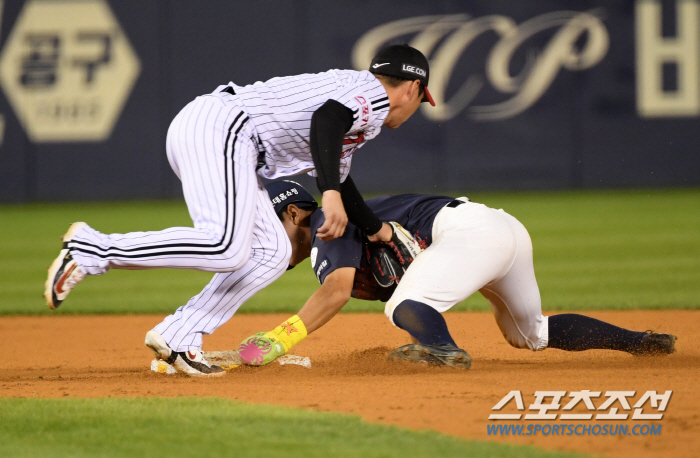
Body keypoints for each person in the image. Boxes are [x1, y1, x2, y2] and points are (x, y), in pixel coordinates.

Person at [44, 45, 434, 378]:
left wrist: (377, 229)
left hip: (230, 139)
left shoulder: (361, 114)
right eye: (422, 99)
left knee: (272, 253)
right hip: (227, 128)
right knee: (224, 245)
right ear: (415, 87)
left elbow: (339, 174)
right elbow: (325, 121)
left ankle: (180, 335)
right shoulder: (372, 92)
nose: (418, 107)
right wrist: (328, 192)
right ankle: (92, 249)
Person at [237, 181, 677, 368]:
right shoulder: (333, 225)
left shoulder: (324, 225)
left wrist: (279, 339)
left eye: (264, 224)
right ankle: (643, 343)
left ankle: (444, 351)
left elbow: (336, 291)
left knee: (405, 306)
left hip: (468, 232)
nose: (261, 238)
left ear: (294, 212)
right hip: (503, 229)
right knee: (529, 334)